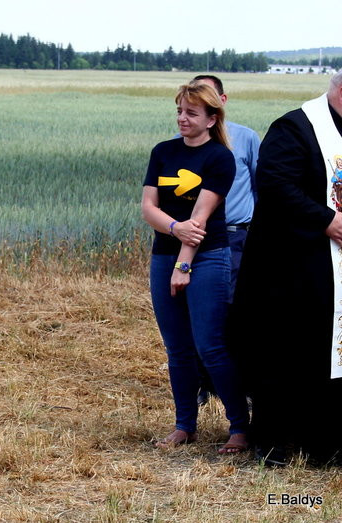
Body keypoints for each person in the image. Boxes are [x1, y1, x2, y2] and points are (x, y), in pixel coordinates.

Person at [230, 71, 342, 466]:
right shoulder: (295, 127)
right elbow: (275, 183)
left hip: (336, 271)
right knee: (287, 355)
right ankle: (274, 443)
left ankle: (326, 444)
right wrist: (326, 219)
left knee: (334, 359)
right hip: (293, 269)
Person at [142, 83, 249, 454]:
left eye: (191, 113)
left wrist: (183, 264)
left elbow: (200, 221)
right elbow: (148, 209)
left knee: (211, 347)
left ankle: (239, 427)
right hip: (163, 256)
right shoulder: (163, 152)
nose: (182, 119)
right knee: (177, 349)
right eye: (179, 111)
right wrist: (173, 228)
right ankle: (184, 425)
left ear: (211, 118)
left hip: (207, 257)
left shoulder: (220, 158)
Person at [187, 75, 260, 405]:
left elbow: (262, 187)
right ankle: (203, 383)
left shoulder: (246, 138)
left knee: (235, 309)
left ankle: (237, 383)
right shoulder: (181, 142)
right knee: (199, 310)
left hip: (236, 238)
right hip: (195, 237)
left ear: (221, 102)